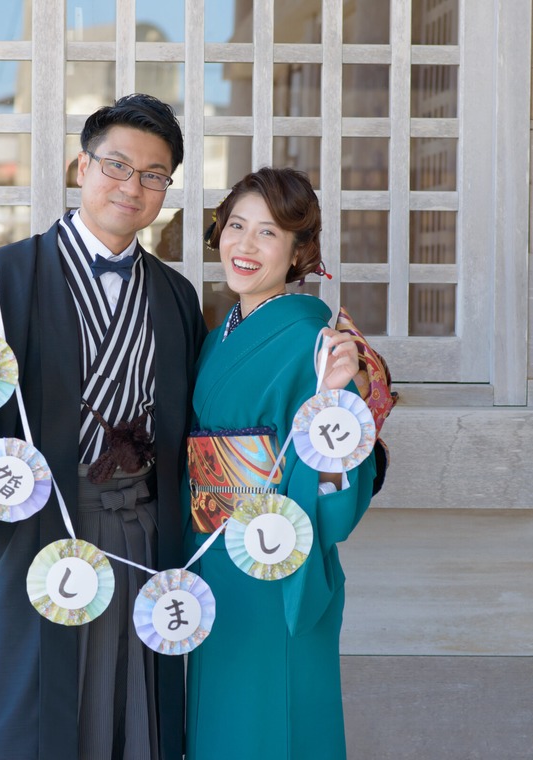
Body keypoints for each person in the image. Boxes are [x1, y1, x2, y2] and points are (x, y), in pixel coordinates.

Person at [0, 94, 206, 760]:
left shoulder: (174, 294)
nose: (132, 186)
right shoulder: (4, 277)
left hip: (142, 534)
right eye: (116, 165)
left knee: (133, 705)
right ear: (80, 168)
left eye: (154, 175)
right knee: (27, 713)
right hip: (34, 532)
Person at [183, 167, 378, 760]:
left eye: (267, 233)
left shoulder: (312, 339)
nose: (244, 245)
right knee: (221, 720)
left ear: (300, 252)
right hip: (208, 560)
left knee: (274, 721)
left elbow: (333, 460)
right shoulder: (218, 334)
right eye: (235, 226)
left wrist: (342, 396)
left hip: (275, 560)